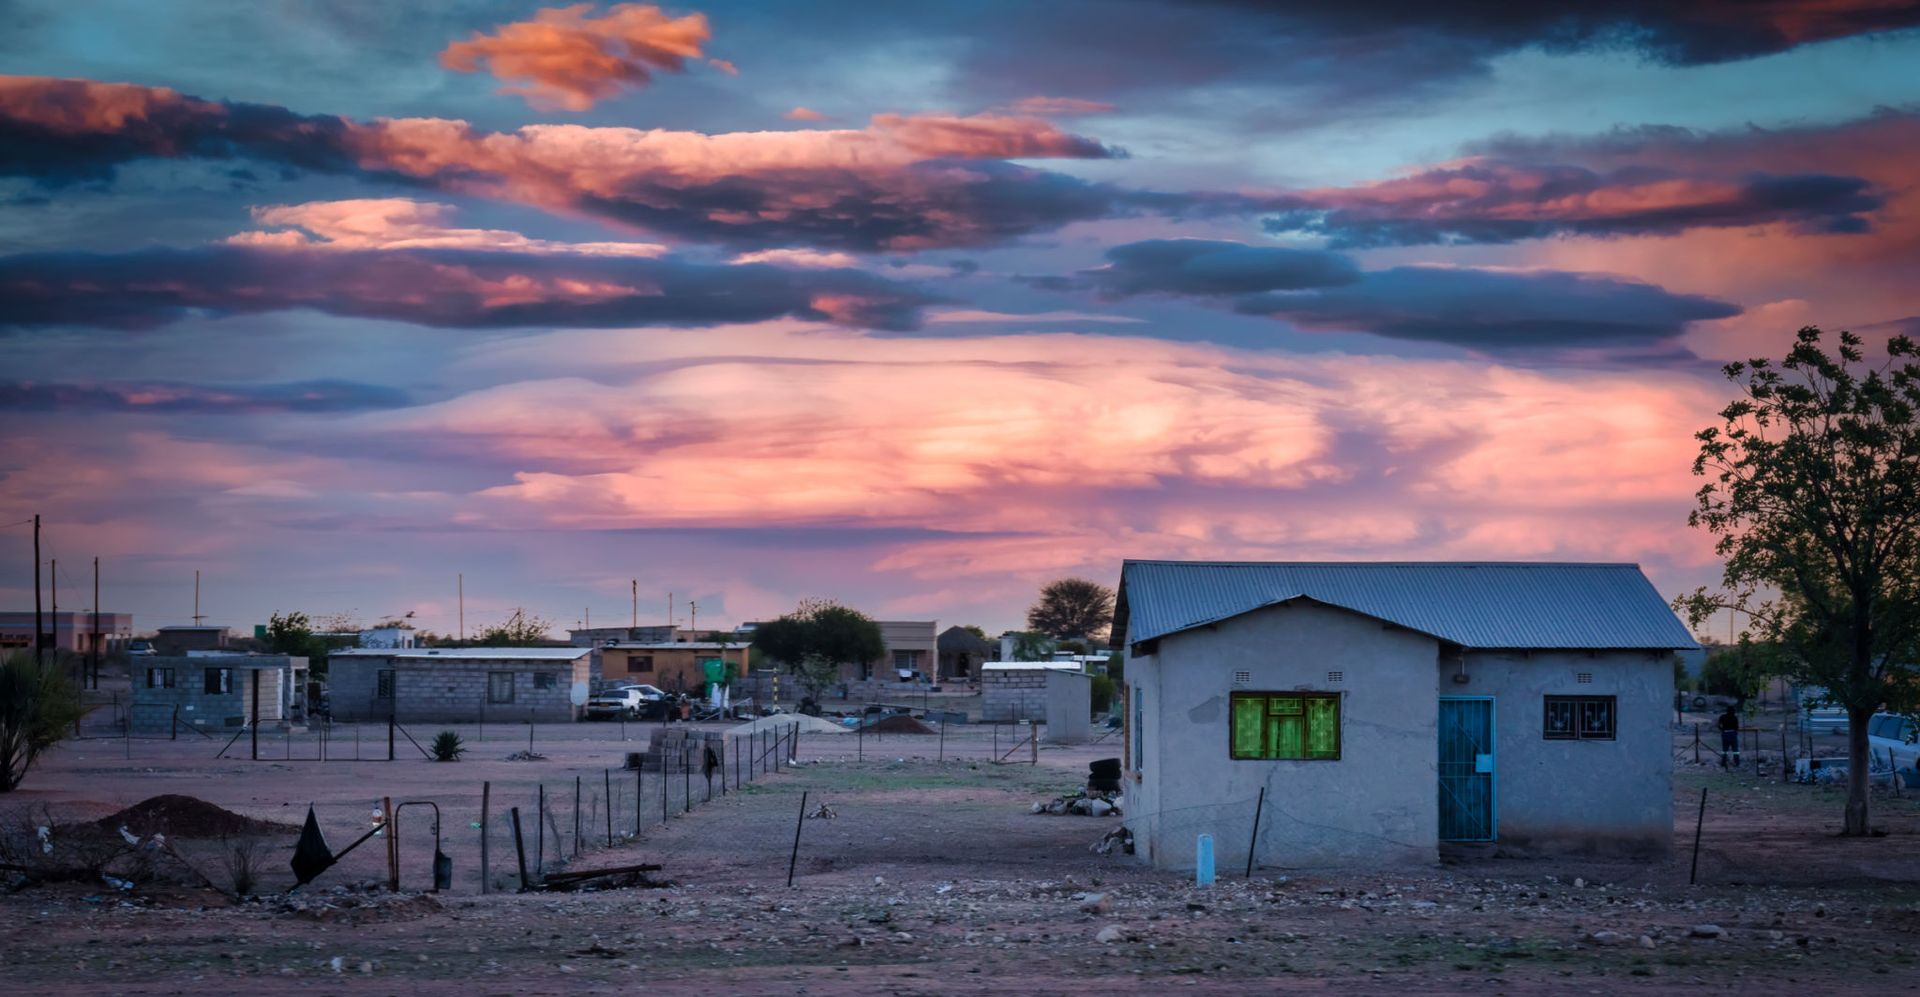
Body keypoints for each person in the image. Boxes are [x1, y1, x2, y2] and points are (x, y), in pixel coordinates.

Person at [1717, 703, 1742, 769]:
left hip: (1725, 733)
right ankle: (1737, 762)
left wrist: (1722, 729)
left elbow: (1719, 725)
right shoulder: (1734, 717)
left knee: (1725, 749)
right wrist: (1735, 732)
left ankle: (1723, 762)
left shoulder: (1722, 717)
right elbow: (1736, 727)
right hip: (1733, 734)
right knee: (1735, 750)